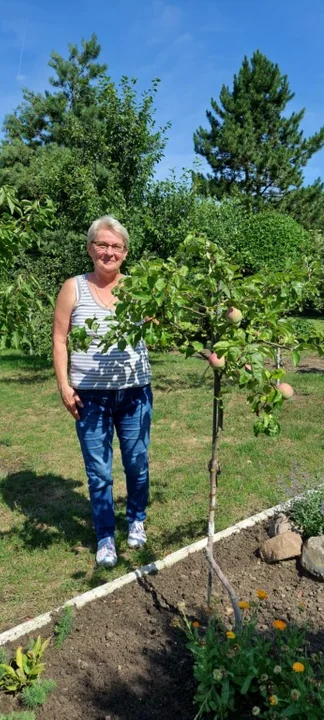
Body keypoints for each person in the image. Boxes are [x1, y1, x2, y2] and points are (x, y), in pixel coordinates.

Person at [52, 216, 152, 568]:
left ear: (125, 252)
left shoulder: (140, 288)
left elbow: (168, 322)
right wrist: (64, 385)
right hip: (89, 396)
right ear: (90, 247)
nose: (109, 252)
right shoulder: (73, 287)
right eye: (102, 244)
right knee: (99, 471)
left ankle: (136, 518)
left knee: (137, 464)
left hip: (134, 393)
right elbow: (60, 339)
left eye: (116, 246)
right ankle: (105, 535)